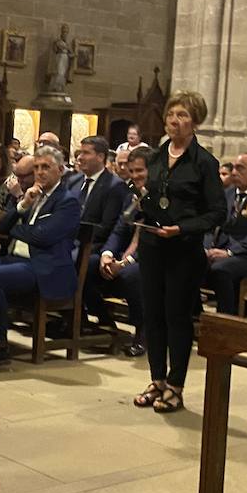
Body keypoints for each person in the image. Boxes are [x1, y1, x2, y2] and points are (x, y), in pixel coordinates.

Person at [131, 91, 225, 414]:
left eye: (182, 115)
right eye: (171, 114)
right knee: (152, 315)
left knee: (176, 317)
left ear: (195, 121)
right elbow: (154, 201)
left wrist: (183, 228)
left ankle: (176, 385)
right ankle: (156, 379)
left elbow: (217, 213)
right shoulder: (155, 158)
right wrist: (140, 204)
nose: (174, 120)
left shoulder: (205, 163)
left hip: (183, 250)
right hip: (153, 246)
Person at [0, 145, 82, 364]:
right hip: (18, 258)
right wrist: (23, 204)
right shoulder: (33, 195)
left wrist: (19, 230)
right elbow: (3, 226)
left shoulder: (67, 201)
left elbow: (43, 237)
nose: (40, 172)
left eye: (46, 167)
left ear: (60, 170)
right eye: (38, 167)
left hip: (44, 266)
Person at [86, 148, 149, 356]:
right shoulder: (131, 194)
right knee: (86, 264)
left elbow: (150, 238)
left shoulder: (162, 197)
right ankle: (105, 321)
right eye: (132, 171)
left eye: (140, 170)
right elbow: (120, 228)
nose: (135, 175)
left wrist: (126, 262)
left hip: (151, 256)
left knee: (133, 276)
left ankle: (143, 332)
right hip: (124, 252)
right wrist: (107, 254)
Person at [204, 152, 247, 316]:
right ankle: (194, 313)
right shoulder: (228, 194)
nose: (234, 172)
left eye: (240, 168)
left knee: (221, 269)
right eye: (233, 168)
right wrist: (207, 247)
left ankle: (226, 318)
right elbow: (213, 223)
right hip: (222, 248)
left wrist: (230, 252)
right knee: (188, 259)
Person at [70, 135, 128, 247]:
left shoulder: (114, 186)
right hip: (65, 241)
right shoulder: (73, 181)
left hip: (90, 245)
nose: (80, 157)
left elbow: (105, 228)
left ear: (101, 157)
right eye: (80, 152)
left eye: (86, 153)